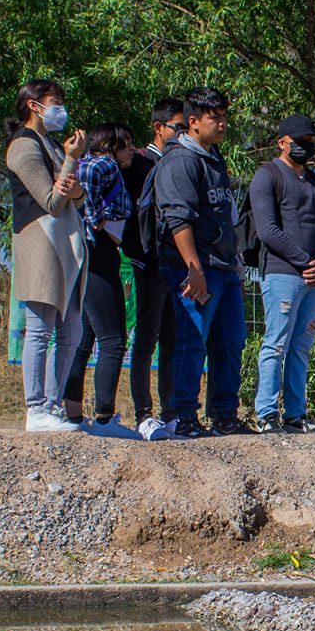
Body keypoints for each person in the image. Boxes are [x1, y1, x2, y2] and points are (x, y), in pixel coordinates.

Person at [152, 86, 249, 437]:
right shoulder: (180, 161)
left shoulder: (215, 158)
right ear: (193, 122)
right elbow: (178, 219)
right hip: (196, 269)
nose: (222, 124)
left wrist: (235, 265)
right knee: (192, 341)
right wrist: (193, 268)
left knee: (231, 340)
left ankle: (224, 413)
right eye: (214, 118)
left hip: (223, 267)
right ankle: (182, 416)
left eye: (225, 117)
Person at [5, 79, 90, 434]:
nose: (61, 109)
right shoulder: (23, 147)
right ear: (33, 105)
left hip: (67, 248)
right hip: (40, 243)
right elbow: (52, 202)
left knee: (72, 329)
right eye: (55, 102)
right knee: (40, 330)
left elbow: (76, 196)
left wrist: (76, 183)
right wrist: (72, 160)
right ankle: (35, 406)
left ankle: (53, 405)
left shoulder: (50, 145)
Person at [250, 115, 315, 433]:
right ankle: (267, 413)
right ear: (282, 142)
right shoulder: (267, 176)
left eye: (309, 141)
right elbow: (268, 230)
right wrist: (304, 261)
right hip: (282, 274)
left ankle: (295, 414)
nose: (305, 147)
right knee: (276, 343)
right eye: (299, 141)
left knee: (301, 346)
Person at [63, 122, 142, 438]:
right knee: (113, 339)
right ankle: (105, 416)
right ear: (111, 145)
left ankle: (72, 414)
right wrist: (96, 223)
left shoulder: (90, 164)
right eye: (126, 144)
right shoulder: (103, 164)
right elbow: (87, 202)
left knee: (85, 338)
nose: (131, 151)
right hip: (100, 253)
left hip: (89, 255)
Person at [126, 98, 184, 438]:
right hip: (149, 263)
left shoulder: (183, 162)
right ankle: (143, 413)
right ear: (158, 128)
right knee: (145, 339)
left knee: (172, 340)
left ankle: (171, 411)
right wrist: (141, 253)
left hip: (177, 264)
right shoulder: (140, 163)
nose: (180, 133)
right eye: (176, 127)